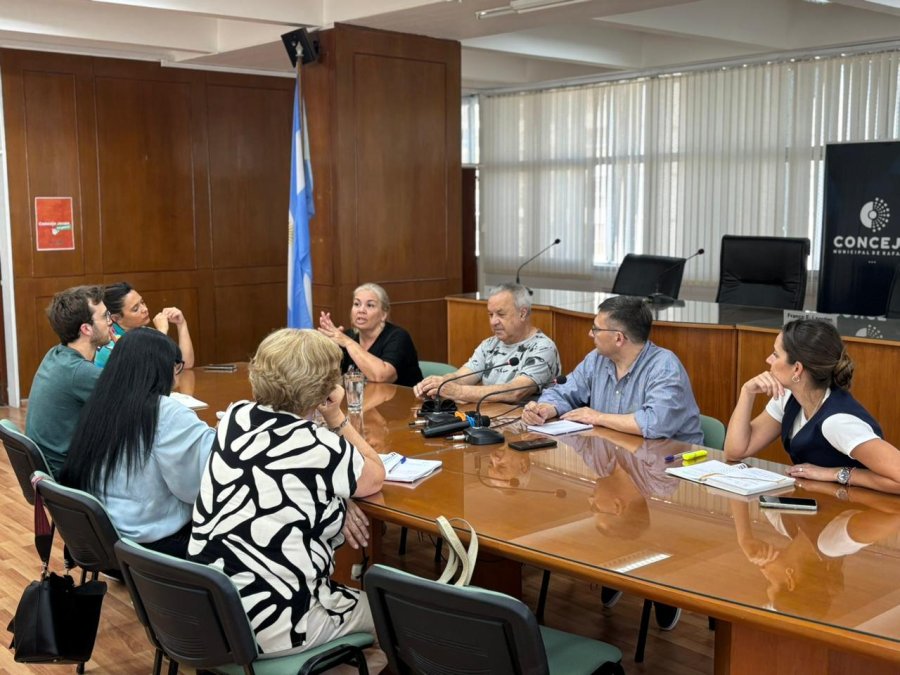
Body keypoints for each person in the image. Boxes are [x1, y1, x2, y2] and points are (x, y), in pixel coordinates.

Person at [188, 329, 386, 671]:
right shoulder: (317, 445)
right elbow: (374, 475)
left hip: (213, 612)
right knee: (390, 615)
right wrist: (336, 416)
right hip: (278, 624)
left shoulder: (236, 417)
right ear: (325, 388)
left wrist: (339, 496)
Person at [60, 327, 214, 557]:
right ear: (162, 367)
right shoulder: (165, 412)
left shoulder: (101, 402)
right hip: (153, 547)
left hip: (106, 538)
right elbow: (198, 488)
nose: (177, 375)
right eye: (176, 367)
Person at [724, 319, 900, 493]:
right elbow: (736, 451)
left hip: (866, 511)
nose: (768, 359)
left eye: (776, 354)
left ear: (797, 369)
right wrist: (746, 392)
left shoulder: (837, 422)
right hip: (825, 503)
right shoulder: (787, 397)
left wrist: (836, 473)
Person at [522, 295, 703, 444]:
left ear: (618, 338)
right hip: (621, 456)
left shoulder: (664, 367)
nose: (590, 334)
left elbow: (654, 422)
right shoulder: (597, 359)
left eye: (596, 329)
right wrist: (545, 409)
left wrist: (597, 417)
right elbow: (563, 391)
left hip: (669, 469)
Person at [413, 282, 561, 403]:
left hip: (526, 429)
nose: (493, 322)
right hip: (490, 421)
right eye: (490, 315)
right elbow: (462, 377)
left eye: (500, 314)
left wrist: (457, 392)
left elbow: (515, 391)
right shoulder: (489, 344)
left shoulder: (543, 347)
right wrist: (437, 384)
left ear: (522, 313)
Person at [25, 285, 111, 475]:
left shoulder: (55, 354)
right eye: (105, 316)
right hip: (68, 477)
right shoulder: (79, 372)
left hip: (49, 473)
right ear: (86, 328)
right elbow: (136, 402)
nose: (110, 322)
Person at [318, 282, 423, 386]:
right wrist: (328, 348)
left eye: (370, 305)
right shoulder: (348, 336)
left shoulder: (399, 337)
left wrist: (348, 343)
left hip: (406, 401)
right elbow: (328, 376)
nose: (361, 310)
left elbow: (382, 376)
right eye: (357, 304)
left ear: (383, 314)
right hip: (364, 401)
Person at [94, 281, 195, 369]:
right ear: (116, 318)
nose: (145, 309)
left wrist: (181, 324)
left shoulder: (142, 331)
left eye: (142, 302)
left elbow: (185, 365)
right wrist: (162, 333)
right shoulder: (110, 344)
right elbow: (149, 372)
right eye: (135, 309)